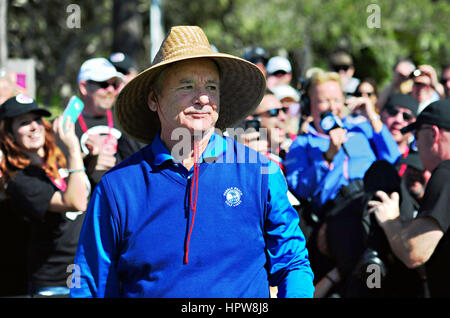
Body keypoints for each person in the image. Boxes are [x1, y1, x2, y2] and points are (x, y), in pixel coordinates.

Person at [70, 25, 314, 298]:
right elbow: (90, 285)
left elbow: (293, 264)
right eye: (187, 86)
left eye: (211, 86)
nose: (202, 98)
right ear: (154, 99)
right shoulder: (117, 187)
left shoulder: (260, 171)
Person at [284, 71, 400, 283]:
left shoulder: (360, 128)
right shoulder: (302, 144)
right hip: (339, 211)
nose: (331, 106)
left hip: (373, 198)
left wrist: (373, 116)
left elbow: (393, 158)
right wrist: (327, 156)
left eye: (336, 99)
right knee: (361, 269)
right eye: (324, 100)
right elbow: (301, 188)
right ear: (310, 104)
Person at [0, 94, 89, 297]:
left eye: (37, 120)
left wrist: (90, 157)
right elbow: (75, 202)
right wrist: (74, 150)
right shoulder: (19, 179)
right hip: (56, 281)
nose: (34, 127)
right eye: (24, 123)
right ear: (10, 134)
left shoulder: (56, 158)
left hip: (84, 269)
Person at [368, 99, 450, 297]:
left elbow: (414, 252)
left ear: (433, 134)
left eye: (416, 136)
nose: (416, 145)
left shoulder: (446, 172)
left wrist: (390, 220)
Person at [74, 57, 142, 189]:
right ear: (83, 87)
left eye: (115, 85)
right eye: (103, 84)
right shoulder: (66, 126)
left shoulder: (128, 121)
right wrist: (87, 162)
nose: (110, 90)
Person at [379, 93, 419, 175]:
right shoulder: (366, 147)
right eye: (393, 112)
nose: (398, 120)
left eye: (406, 116)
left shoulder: (419, 160)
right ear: (382, 114)